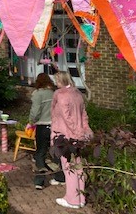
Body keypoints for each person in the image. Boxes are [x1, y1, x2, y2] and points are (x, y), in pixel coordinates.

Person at [51, 71, 93, 209]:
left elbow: (66, 117)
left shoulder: (61, 95)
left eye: (56, 80)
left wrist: (75, 133)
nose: (55, 83)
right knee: (78, 167)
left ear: (60, 80)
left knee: (68, 167)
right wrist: (84, 131)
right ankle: (80, 198)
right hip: (78, 136)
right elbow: (84, 115)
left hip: (66, 137)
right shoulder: (78, 94)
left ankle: (72, 199)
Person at [29, 72, 57, 190]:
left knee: (40, 152)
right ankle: (60, 177)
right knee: (56, 152)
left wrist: (31, 121)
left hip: (42, 126)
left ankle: (39, 181)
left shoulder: (37, 94)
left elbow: (35, 111)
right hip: (55, 126)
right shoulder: (54, 94)